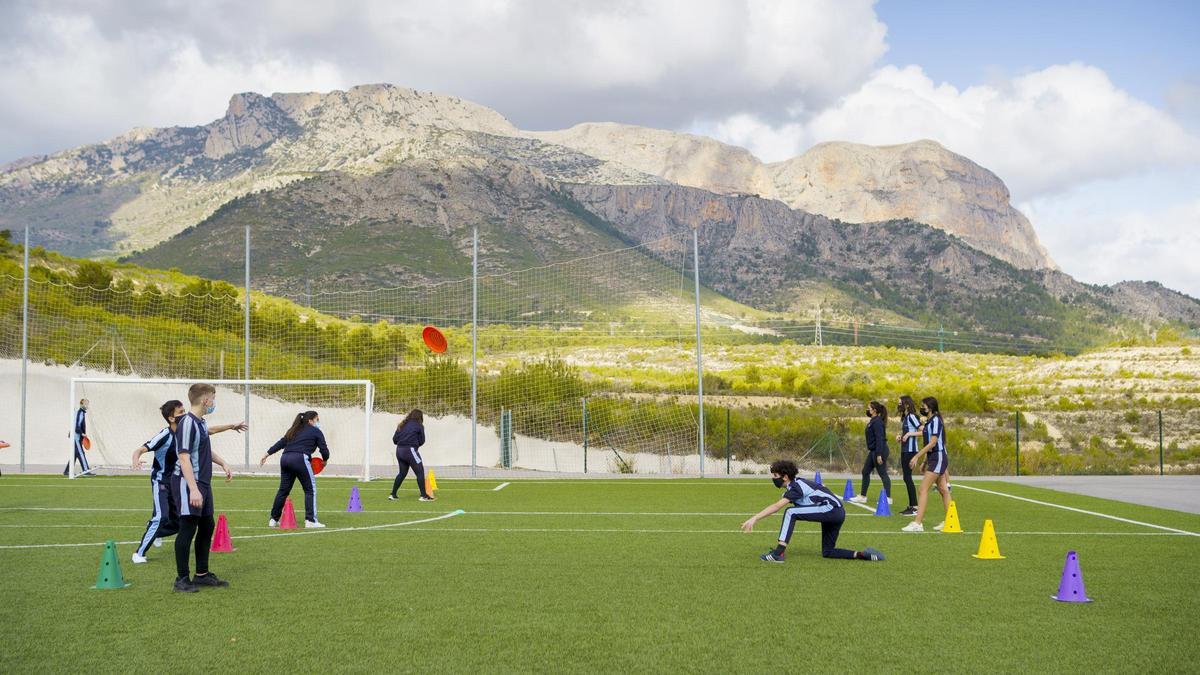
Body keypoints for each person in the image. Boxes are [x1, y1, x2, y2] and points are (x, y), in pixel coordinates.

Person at [171, 383, 246, 593]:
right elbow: (184, 457)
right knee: (188, 526)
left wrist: (222, 462)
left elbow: (204, 446)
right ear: (205, 400)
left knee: (206, 526)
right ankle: (182, 579)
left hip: (202, 483)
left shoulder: (200, 423)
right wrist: (193, 489)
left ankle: (201, 574)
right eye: (213, 398)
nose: (214, 402)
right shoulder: (186, 423)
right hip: (188, 482)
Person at [741, 459, 884, 563]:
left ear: (785, 477)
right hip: (836, 512)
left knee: (791, 512)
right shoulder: (797, 484)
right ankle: (862, 555)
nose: (773, 479)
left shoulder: (796, 487)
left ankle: (778, 553)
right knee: (828, 552)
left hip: (831, 510)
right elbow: (821, 486)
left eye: (775, 476)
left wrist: (754, 518)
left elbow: (776, 507)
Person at [130, 400, 184, 563]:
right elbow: (140, 449)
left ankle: (157, 532)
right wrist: (135, 460)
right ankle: (138, 553)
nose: (185, 414)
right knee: (161, 517)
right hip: (160, 481)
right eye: (181, 412)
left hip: (174, 482)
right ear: (171, 418)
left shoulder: (184, 433)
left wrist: (231, 426)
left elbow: (208, 432)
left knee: (179, 524)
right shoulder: (164, 435)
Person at [261, 411, 330, 528]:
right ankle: (311, 520)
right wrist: (325, 460)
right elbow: (324, 449)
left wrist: (267, 454)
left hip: (285, 458)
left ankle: (273, 519)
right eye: (317, 419)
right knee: (310, 490)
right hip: (300, 459)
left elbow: (281, 442)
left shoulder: (294, 429)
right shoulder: (316, 431)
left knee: (283, 490)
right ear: (310, 421)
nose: (318, 422)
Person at [902, 397, 952, 533]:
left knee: (923, 489)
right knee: (943, 489)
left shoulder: (936, 420)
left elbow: (933, 443)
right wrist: (925, 460)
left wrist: (917, 456)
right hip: (933, 457)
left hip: (938, 456)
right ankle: (950, 521)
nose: (921, 408)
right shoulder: (929, 421)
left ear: (929, 407)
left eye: (923, 406)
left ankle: (918, 523)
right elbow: (928, 444)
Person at [849, 401, 892, 506]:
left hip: (879, 450)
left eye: (869, 408)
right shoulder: (873, 421)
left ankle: (888, 498)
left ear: (874, 410)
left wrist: (879, 454)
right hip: (873, 450)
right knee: (865, 471)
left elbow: (880, 439)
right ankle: (863, 496)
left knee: (882, 473)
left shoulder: (877, 422)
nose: (867, 410)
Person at [389, 409, 433, 502]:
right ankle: (423, 496)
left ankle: (393, 494)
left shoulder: (402, 424)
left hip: (399, 451)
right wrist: (414, 445)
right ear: (420, 417)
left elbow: (394, 440)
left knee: (402, 473)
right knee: (420, 472)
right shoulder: (419, 426)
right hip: (410, 450)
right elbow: (422, 441)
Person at [896, 395, 922, 515]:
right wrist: (901, 436)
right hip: (905, 449)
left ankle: (915, 507)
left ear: (906, 404)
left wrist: (910, 434)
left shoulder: (911, 416)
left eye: (900, 403)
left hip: (911, 451)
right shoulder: (905, 417)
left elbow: (923, 431)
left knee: (907, 477)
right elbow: (907, 433)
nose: (898, 405)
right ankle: (912, 505)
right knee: (906, 478)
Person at [63, 398, 91, 476]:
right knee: (81, 453)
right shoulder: (80, 413)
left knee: (74, 454)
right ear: (81, 404)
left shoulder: (81, 413)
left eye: (87, 404)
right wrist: (82, 433)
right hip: (76, 437)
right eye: (86, 403)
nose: (87, 405)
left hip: (76, 436)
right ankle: (86, 470)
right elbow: (76, 426)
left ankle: (67, 471)